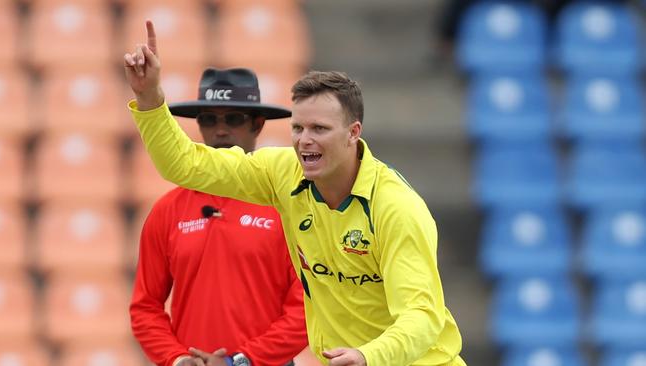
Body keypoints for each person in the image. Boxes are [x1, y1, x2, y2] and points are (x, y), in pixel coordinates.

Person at [125, 21, 466, 366]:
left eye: (319, 128)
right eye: (298, 128)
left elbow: (422, 316)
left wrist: (367, 355)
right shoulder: (282, 173)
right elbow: (184, 166)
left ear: (353, 133)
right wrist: (150, 97)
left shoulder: (395, 207)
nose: (304, 140)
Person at [129, 66, 310, 366]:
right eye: (210, 119)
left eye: (234, 119)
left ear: (258, 124)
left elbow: (305, 309)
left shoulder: (289, 205)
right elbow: (145, 307)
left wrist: (241, 362)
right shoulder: (167, 211)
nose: (221, 130)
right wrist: (176, 358)